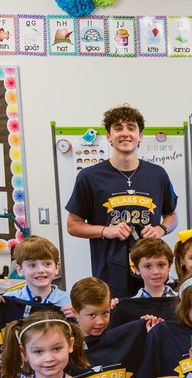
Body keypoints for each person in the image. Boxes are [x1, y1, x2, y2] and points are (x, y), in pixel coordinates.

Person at [65, 104, 178, 298]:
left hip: (151, 273)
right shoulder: (89, 176)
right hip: (110, 273)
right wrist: (105, 231)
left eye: (131, 128)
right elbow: (73, 225)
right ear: (108, 136)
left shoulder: (157, 174)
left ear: (140, 136)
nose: (125, 133)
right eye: (118, 128)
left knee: (153, 324)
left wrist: (160, 229)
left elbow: (171, 215)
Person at [0, 235, 73, 321]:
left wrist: (79, 318)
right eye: (32, 265)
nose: (40, 270)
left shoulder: (69, 301)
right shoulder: (7, 300)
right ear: (20, 270)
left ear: (57, 268)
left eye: (47, 264)